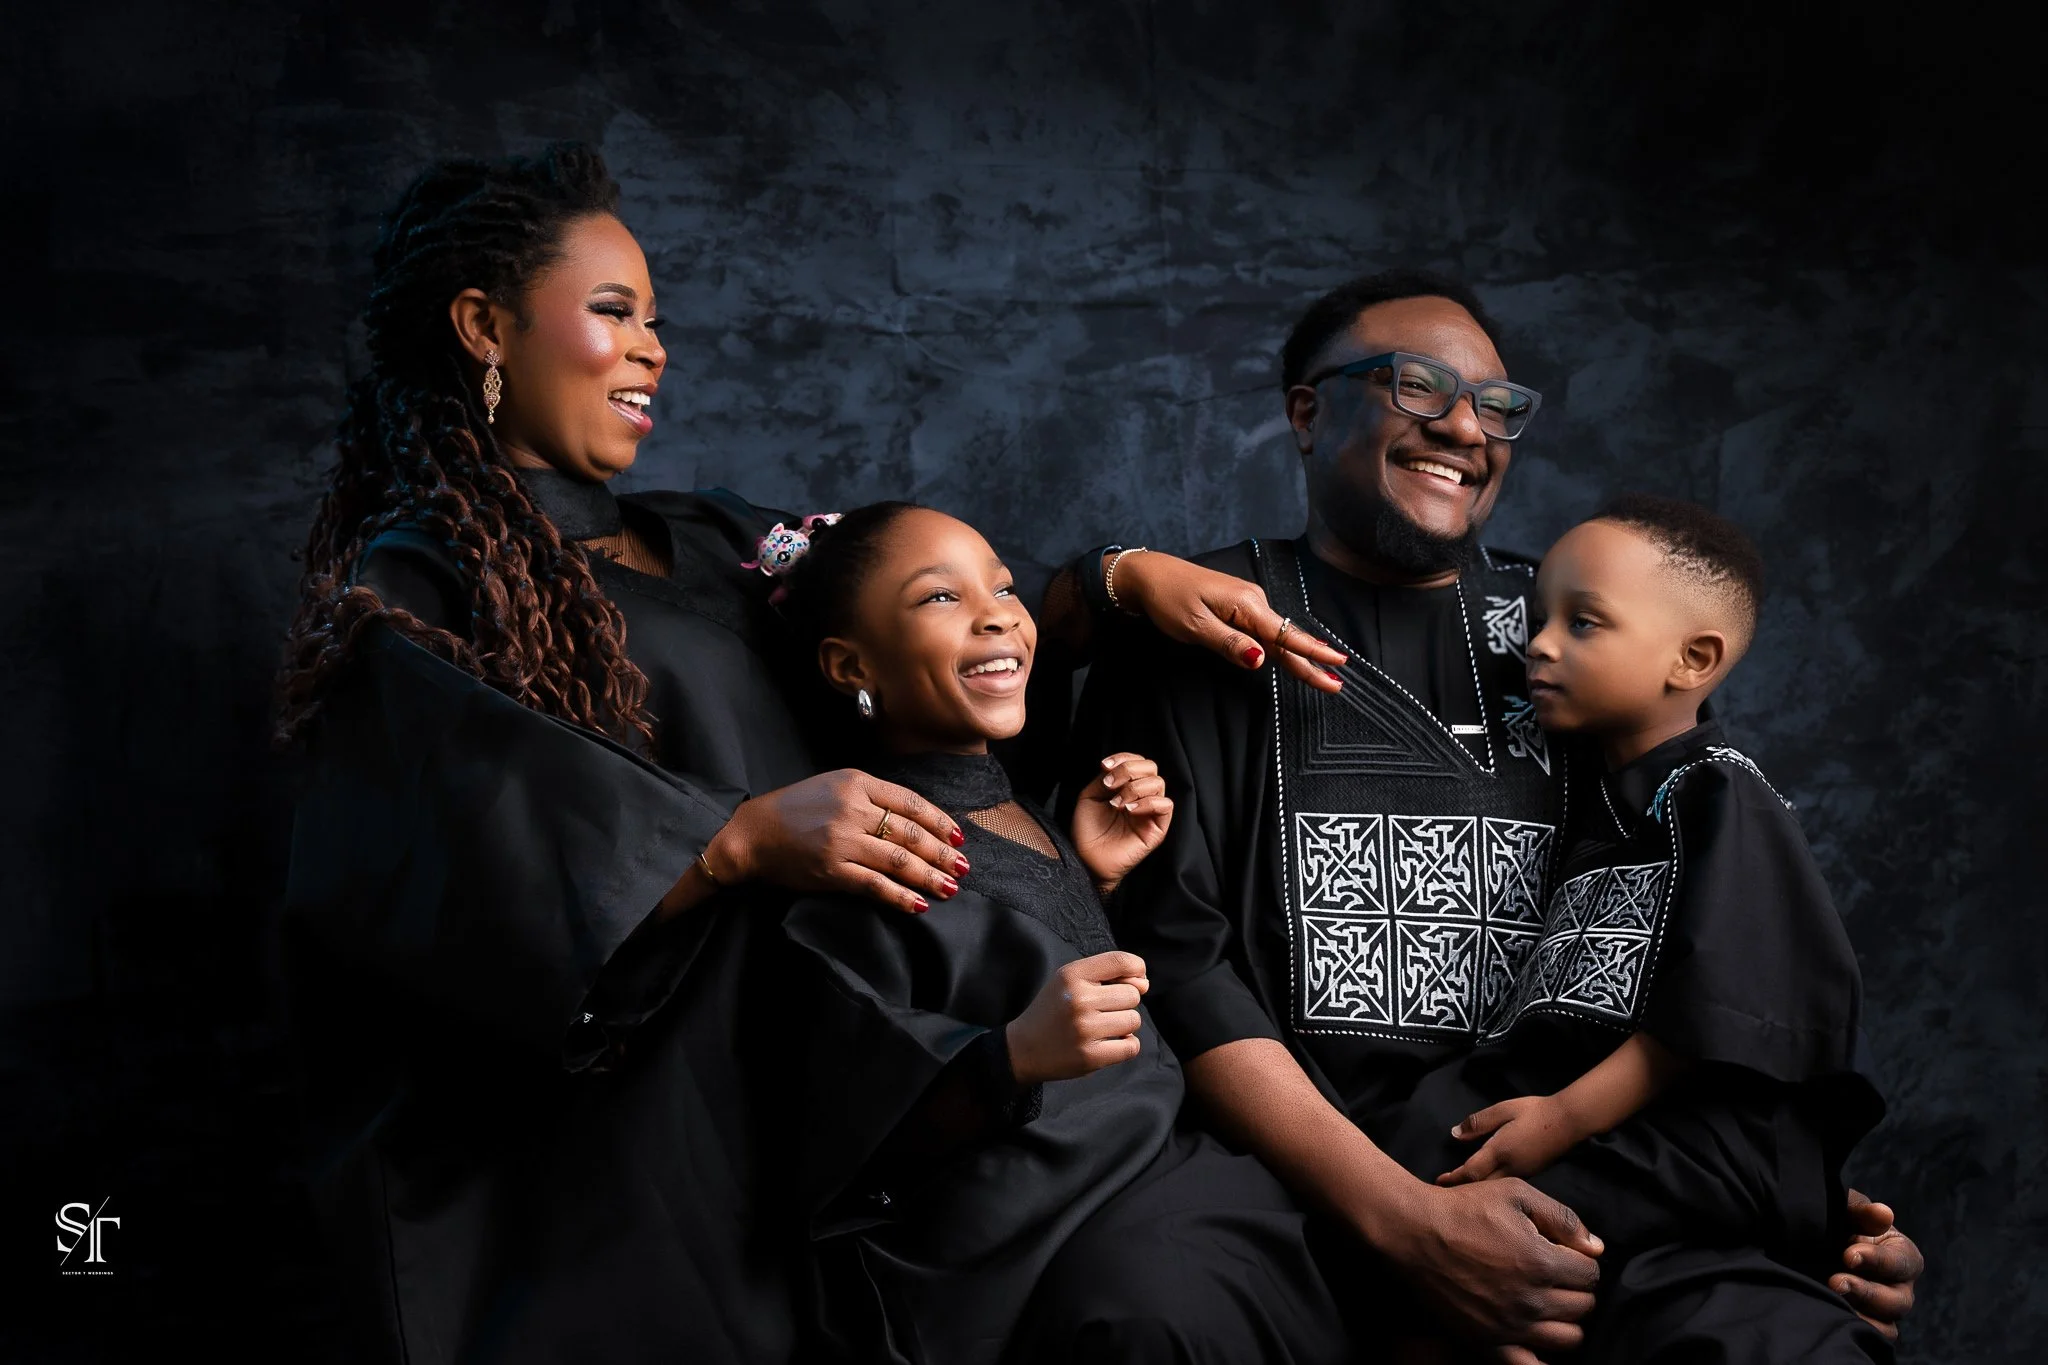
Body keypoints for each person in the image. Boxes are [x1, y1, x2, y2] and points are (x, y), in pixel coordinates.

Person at [273, 144, 1343, 1365]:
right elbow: (447, 875)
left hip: (840, 1075)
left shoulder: (712, 537)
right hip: (635, 1141)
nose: (653, 347)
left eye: (655, 319)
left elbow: (918, 624)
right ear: (484, 326)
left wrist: (1115, 583)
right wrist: (735, 842)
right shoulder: (415, 594)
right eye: (612, 313)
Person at [1070, 270, 1924, 1361]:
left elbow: (1708, 948)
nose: (1464, 429)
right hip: (1287, 1174)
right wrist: (1400, 1217)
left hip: (1569, 1163)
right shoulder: (1202, 625)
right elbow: (1178, 966)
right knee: (1140, 1304)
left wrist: (1808, 1213)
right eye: (1418, 387)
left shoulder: (1582, 641)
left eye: (1494, 403)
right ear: (1304, 410)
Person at [771, 502, 1349, 1365]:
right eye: (940, 598)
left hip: (1160, 1174)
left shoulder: (1017, 803)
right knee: (1159, 1315)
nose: (998, 612)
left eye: (1004, 588)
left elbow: (1027, 939)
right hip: (1031, 1234)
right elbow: (849, 1101)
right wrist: (1011, 1057)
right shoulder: (868, 846)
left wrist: (1096, 875)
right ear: (851, 663)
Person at [1371, 494, 1888, 1358]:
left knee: (1457, 1192)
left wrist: (1565, 1115)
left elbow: (1717, 1005)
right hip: (1630, 1130)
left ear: (1691, 658)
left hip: (1703, 1142)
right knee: (1412, 1151)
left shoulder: (1718, 792)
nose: (1539, 643)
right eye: (1539, 620)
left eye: (1585, 623)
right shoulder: (1608, 800)